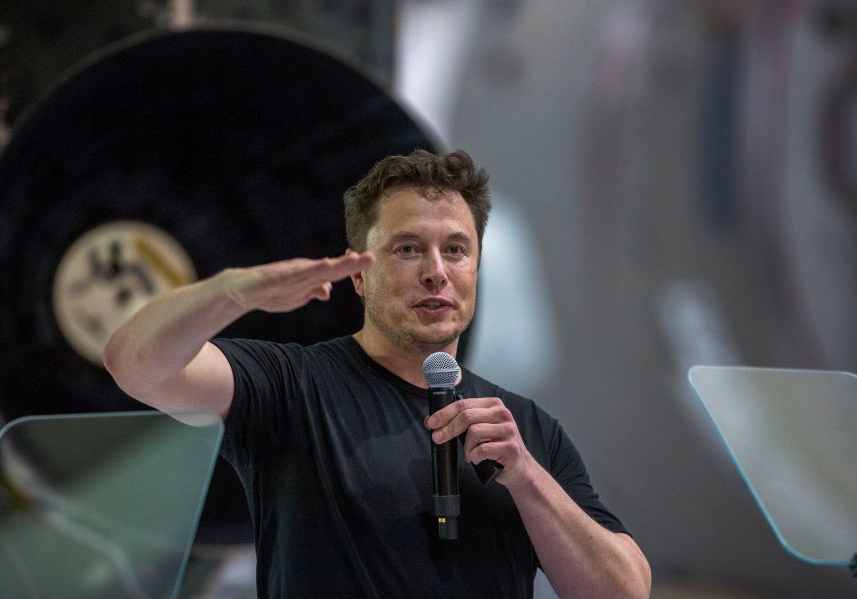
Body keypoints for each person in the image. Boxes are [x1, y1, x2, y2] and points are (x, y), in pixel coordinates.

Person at [103, 150, 651, 598]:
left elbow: (624, 591)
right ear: (359, 276)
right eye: (408, 249)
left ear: (476, 268)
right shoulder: (292, 385)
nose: (436, 271)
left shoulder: (523, 428)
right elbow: (135, 365)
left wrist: (527, 479)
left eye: (456, 250)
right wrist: (230, 292)